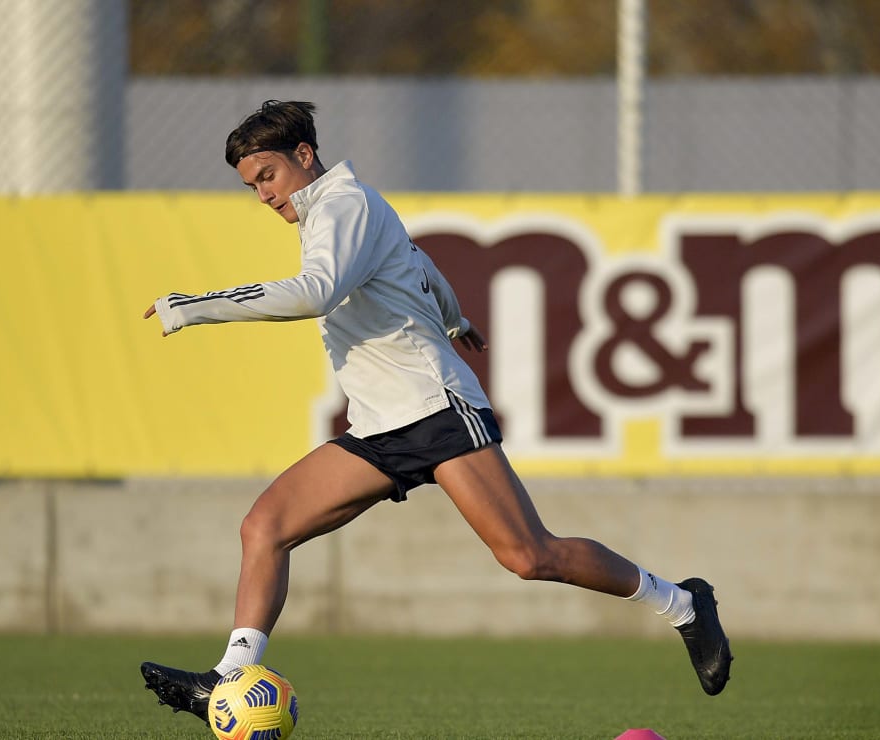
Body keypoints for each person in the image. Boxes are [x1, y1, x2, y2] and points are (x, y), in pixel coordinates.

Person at [140, 100, 732, 723]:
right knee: (265, 527)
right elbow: (416, 261)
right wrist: (455, 317)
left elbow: (317, 292)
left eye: (267, 176)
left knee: (531, 556)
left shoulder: (345, 203)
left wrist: (194, 306)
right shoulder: (334, 213)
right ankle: (230, 676)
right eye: (250, 185)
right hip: (378, 428)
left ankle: (684, 604)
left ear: (304, 156)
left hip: (435, 412)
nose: (262, 195)